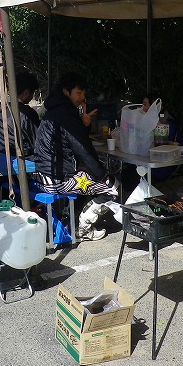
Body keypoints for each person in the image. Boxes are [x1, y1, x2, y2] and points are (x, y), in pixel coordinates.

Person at [33, 71, 118, 240]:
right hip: (56, 181)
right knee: (112, 186)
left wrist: (83, 124)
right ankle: (83, 227)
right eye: (78, 92)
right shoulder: (67, 115)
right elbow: (83, 149)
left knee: (88, 175)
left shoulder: (55, 111)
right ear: (66, 91)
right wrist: (102, 174)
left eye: (83, 93)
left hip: (41, 176)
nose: (82, 97)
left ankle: (75, 219)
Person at [0, 71, 40, 157]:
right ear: (26, 93)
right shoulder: (27, 114)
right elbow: (37, 143)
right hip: (19, 159)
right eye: (32, 93)